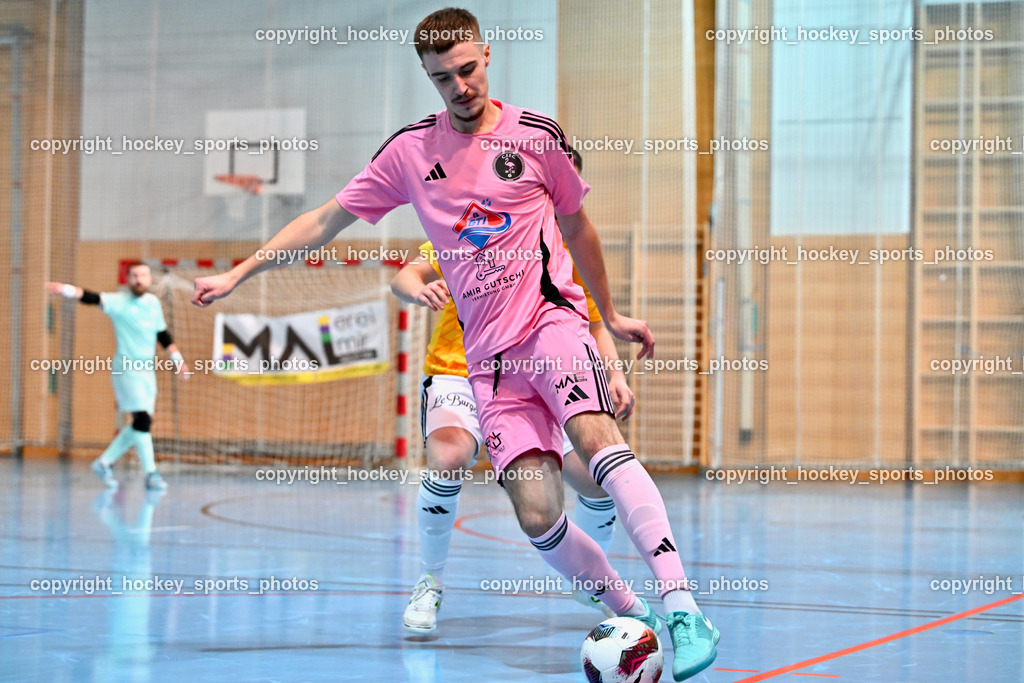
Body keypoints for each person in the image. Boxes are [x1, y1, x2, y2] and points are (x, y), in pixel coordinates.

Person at [192, 8, 719, 679]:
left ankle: (682, 606)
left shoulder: (537, 137)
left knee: (595, 439)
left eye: (467, 70)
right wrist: (240, 271)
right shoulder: (410, 152)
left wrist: (608, 315)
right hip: (489, 364)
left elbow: (578, 228)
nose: (459, 86)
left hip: (549, 323)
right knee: (536, 511)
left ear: (487, 58)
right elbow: (324, 220)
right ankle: (632, 610)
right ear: (428, 76)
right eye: (442, 77)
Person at [392, 226, 632, 632]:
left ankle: (595, 580)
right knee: (449, 457)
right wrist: (417, 288)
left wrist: (615, 375)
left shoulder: (564, 250)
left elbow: (591, 324)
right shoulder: (472, 232)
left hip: (533, 379)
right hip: (460, 373)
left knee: (596, 478)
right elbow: (404, 276)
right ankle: (430, 581)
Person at [47, 262, 188, 491]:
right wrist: (66, 290)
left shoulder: (153, 304)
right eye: (134, 275)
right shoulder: (119, 302)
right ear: (128, 279)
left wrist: (178, 361)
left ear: (150, 279)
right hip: (126, 370)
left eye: (143, 275)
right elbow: (91, 297)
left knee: (142, 424)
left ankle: (104, 463)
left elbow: (162, 334)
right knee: (142, 420)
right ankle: (151, 473)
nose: (139, 279)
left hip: (147, 373)